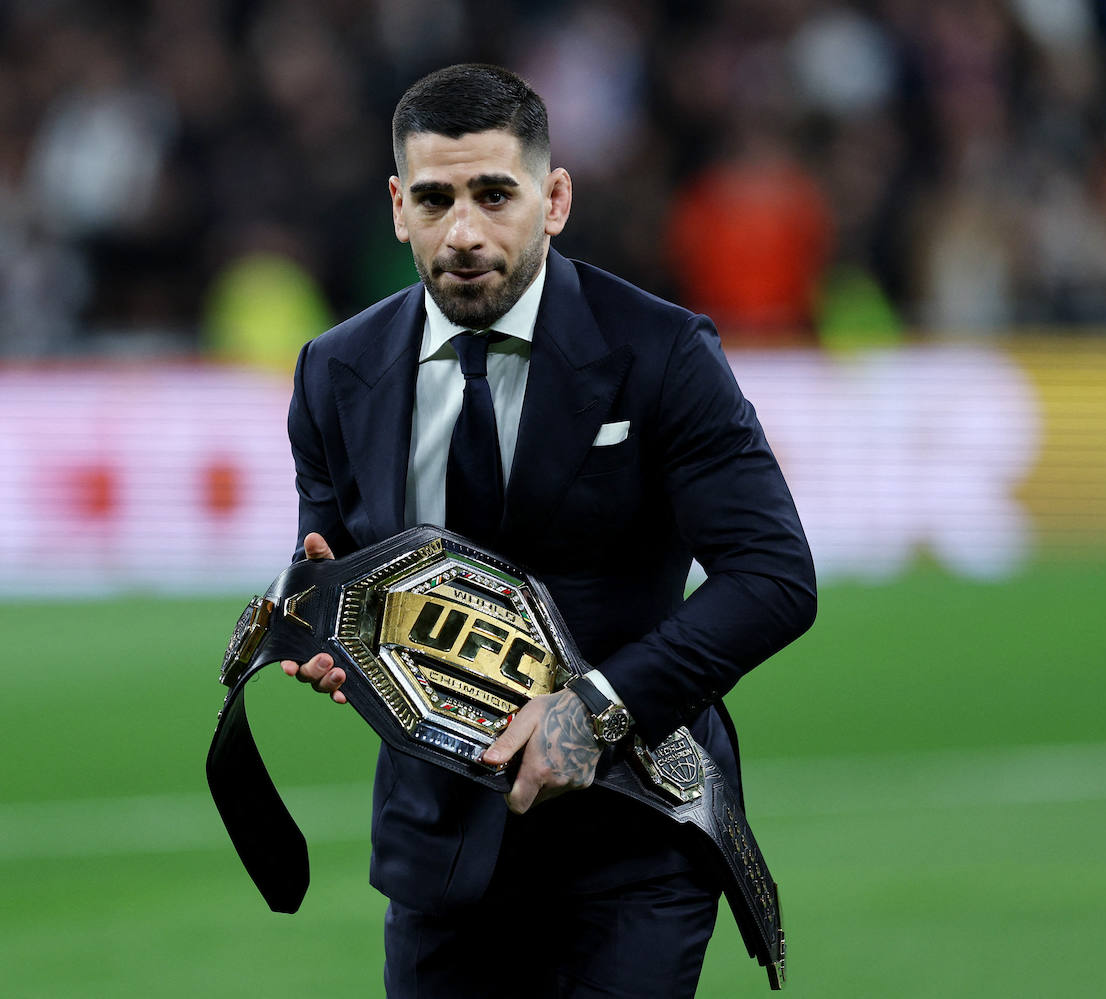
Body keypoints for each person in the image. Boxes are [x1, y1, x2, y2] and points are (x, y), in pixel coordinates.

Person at [280, 63, 816, 998]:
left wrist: (594, 707)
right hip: (437, 854)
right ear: (399, 207)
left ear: (554, 199)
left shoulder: (659, 352)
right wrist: (326, 630)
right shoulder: (335, 371)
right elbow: (331, 561)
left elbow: (773, 576)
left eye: (496, 195)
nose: (465, 232)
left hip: (634, 835)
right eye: (438, 199)